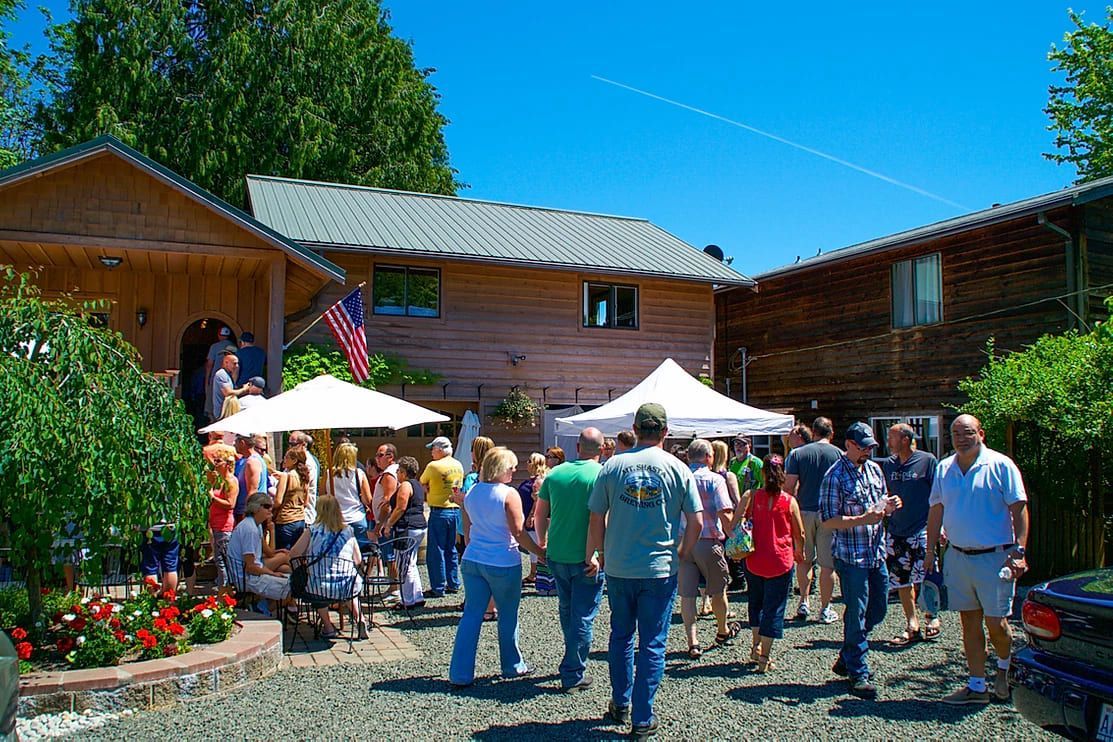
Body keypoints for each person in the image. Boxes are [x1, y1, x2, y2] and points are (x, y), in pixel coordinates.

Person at [586, 403, 702, 739]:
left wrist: (602, 551)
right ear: (665, 432)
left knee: (621, 636)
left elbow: (596, 516)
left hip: (621, 566)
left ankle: (621, 702)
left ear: (635, 428)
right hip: (658, 568)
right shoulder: (678, 468)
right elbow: (696, 520)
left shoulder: (613, 466)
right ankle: (642, 715)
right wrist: (682, 552)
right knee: (653, 642)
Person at [928, 414, 1029, 705]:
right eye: (956, 433)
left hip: (995, 559)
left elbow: (1019, 509)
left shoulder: (1000, 465)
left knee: (996, 623)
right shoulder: (944, 468)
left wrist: (1019, 551)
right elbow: (936, 509)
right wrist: (929, 551)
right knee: (969, 622)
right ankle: (977, 686)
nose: (961, 438)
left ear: (981, 434)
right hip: (958, 556)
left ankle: (1003, 669)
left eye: (967, 432)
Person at [449, 447, 546, 687]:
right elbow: (518, 532)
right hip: (502, 560)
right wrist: (539, 552)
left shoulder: (471, 492)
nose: (515, 470)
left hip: (473, 559)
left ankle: (460, 673)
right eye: (512, 467)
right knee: (508, 614)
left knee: (472, 614)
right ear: (502, 468)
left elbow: (468, 530)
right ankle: (512, 666)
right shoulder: (508, 493)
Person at [819, 421, 900, 700]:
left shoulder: (875, 470)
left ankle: (848, 654)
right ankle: (858, 670)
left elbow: (879, 504)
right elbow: (829, 520)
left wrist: (890, 506)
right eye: (863, 447)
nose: (868, 451)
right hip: (851, 556)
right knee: (857, 610)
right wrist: (863, 519)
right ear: (849, 445)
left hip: (875, 552)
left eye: (870, 447)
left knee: (878, 609)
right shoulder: (835, 476)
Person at [534, 427, 606, 692]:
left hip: (558, 554)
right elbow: (601, 519)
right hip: (587, 557)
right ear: (602, 450)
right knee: (583, 615)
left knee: (567, 609)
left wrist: (542, 543)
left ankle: (572, 658)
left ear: (577, 447)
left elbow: (540, 514)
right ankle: (573, 670)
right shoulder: (601, 474)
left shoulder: (555, 474)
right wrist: (599, 552)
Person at [741, 454, 804, 672]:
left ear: (763, 473)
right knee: (774, 608)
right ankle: (764, 657)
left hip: (754, 558)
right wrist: (800, 552)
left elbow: (735, 523)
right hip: (780, 560)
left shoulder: (751, 496)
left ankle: (755, 646)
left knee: (756, 603)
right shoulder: (789, 501)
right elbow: (800, 533)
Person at [883, 423, 940, 645]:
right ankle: (911, 623)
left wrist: (940, 526)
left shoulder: (927, 461)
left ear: (905, 440)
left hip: (922, 528)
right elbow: (883, 492)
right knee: (901, 579)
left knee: (927, 574)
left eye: (892, 437)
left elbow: (938, 496)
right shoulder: (888, 465)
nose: (888, 441)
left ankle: (932, 616)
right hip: (897, 531)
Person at [679, 439, 737, 659]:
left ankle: (692, 641)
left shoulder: (680, 478)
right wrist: (735, 534)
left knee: (687, 594)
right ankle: (722, 630)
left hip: (684, 540)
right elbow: (724, 511)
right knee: (718, 588)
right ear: (708, 457)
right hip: (708, 539)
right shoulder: (715, 480)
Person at [785, 416, 843, 624]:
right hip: (829, 514)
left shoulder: (797, 454)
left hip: (803, 511)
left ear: (814, 432)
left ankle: (804, 601)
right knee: (828, 565)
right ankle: (825, 608)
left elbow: (789, 486)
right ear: (831, 433)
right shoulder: (839, 455)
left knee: (803, 559)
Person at [228, 493, 307, 612]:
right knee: (294, 587)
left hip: (251, 573)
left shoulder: (255, 525)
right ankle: (262, 610)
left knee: (288, 571)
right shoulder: (250, 530)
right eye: (266, 506)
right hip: (248, 578)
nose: (271, 509)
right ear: (256, 508)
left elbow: (262, 555)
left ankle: (260, 604)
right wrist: (272, 573)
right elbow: (250, 567)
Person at [306, 495, 365, 639]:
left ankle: (328, 627)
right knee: (350, 589)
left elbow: (294, 554)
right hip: (346, 584)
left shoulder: (312, 531)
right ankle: (360, 619)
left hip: (320, 585)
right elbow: (358, 560)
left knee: (315, 586)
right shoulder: (348, 531)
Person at [379, 456, 428, 609]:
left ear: (404, 472)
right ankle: (417, 596)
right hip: (419, 526)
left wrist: (388, 524)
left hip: (407, 527)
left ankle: (407, 600)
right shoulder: (418, 484)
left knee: (404, 565)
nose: (398, 473)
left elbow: (401, 507)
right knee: (411, 563)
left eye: (399, 470)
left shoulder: (406, 485)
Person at [421, 436, 464, 598]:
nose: (431, 452)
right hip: (454, 510)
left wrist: (430, 490)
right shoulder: (458, 465)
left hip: (439, 511)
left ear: (439, 450)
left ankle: (438, 587)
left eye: (433, 449)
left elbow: (422, 482)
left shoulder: (433, 466)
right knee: (451, 548)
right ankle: (453, 582)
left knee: (436, 550)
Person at [712, 440, 747, 594]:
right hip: (727, 515)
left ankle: (732, 578)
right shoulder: (728, 475)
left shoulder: (709, 474)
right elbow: (737, 500)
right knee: (731, 548)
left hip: (712, 516)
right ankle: (737, 578)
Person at [327, 442, 373, 553]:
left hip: (335, 518)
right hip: (356, 517)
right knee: (359, 553)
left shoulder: (329, 474)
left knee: (338, 552)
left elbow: (324, 496)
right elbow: (368, 499)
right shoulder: (359, 474)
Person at [209, 448, 239, 587]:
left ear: (227, 463)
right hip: (216, 525)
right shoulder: (220, 480)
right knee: (219, 560)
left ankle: (227, 590)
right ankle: (223, 589)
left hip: (224, 526)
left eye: (218, 461)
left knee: (225, 561)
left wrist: (213, 498)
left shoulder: (231, 482)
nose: (215, 463)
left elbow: (230, 504)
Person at [519, 453, 547, 587]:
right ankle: (534, 572)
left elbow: (538, 500)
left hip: (534, 518)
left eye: (530, 461)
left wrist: (532, 516)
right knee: (533, 548)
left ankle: (536, 574)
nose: (527, 463)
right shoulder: (532, 480)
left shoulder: (538, 481)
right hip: (528, 515)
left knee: (536, 546)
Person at [273, 448, 310, 551]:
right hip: (300, 519)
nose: (284, 460)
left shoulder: (286, 476)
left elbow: (278, 501)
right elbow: (306, 503)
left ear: (294, 461)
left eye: (287, 457)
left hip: (285, 519)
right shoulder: (304, 477)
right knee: (296, 553)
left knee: (282, 553)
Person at [233, 435, 268, 524]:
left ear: (242, 443)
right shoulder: (249, 460)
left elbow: (252, 491)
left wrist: (247, 514)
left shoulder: (252, 462)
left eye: (236, 441)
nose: (234, 444)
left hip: (249, 513)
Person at [204, 326, 236, 420]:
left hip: (215, 378)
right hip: (230, 379)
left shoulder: (214, 346)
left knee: (212, 406)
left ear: (219, 335)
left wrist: (207, 380)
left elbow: (210, 364)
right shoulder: (234, 347)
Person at [289, 431, 320, 526]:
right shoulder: (295, 460)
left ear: (303, 444)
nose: (290, 447)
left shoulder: (308, 462)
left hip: (304, 516)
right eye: (289, 444)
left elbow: (304, 488)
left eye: (293, 444)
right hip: (294, 515)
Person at [210, 350, 247, 424]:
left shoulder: (228, 375)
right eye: (234, 363)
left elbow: (233, 389)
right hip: (223, 414)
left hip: (229, 413)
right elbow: (228, 393)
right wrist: (244, 389)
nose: (236, 366)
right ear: (226, 363)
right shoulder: (222, 374)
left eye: (237, 364)